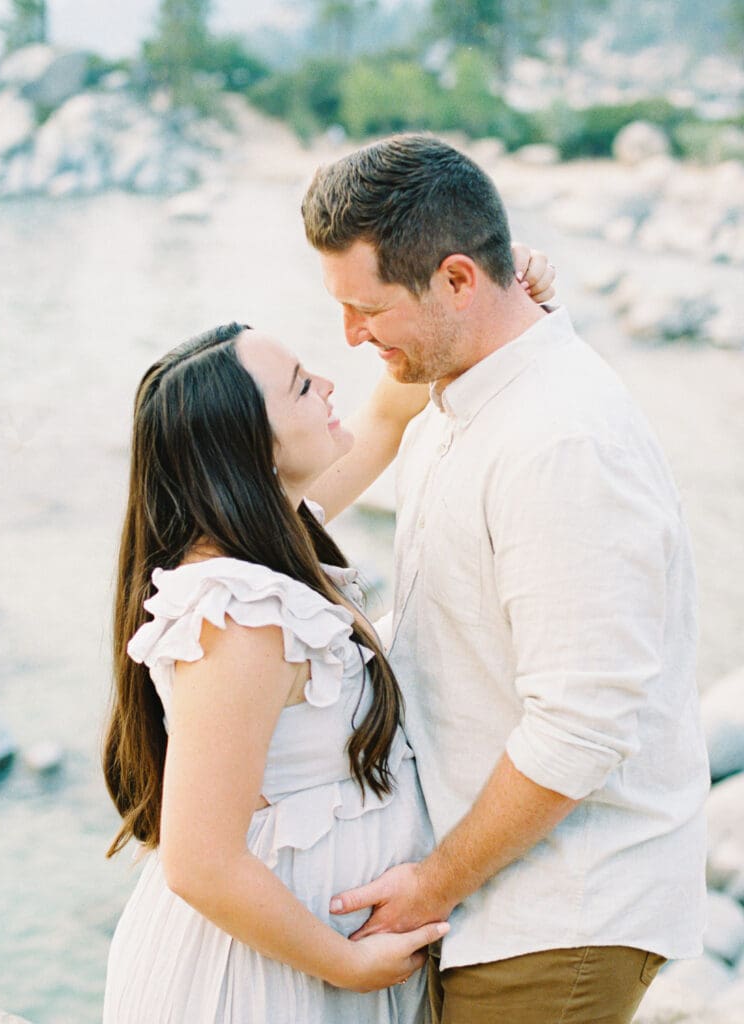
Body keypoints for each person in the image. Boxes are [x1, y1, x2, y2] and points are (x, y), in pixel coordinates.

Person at [301, 134, 709, 1024]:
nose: (350, 335)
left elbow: (582, 726)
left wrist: (432, 884)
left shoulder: (561, 444)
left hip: (557, 914)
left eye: (366, 308)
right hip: (493, 903)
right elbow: (357, 442)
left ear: (455, 281)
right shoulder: (464, 381)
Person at [102, 246, 553, 1024]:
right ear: (250, 446)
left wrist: (487, 301)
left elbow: (384, 413)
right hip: (264, 978)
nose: (331, 384)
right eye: (303, 386)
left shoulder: (269, 543)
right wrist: (343, 963)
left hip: (302, 961)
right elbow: (198, 863)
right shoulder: (239, 612)